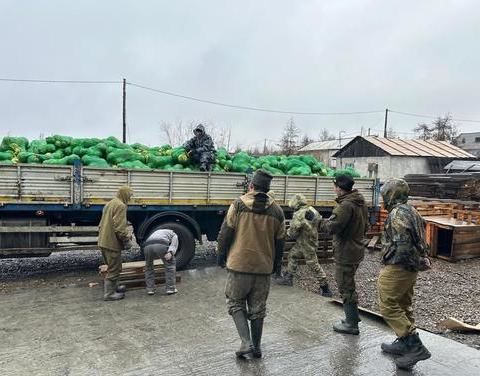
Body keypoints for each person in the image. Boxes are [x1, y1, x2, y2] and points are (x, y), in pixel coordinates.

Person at [216, 169, 285, 359]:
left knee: (235, 303)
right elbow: (280, 242)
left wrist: (221, 255)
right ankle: (256, 347)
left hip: (239, 266)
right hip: (263, 268)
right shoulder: (277, 211)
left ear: (251, 186)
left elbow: (225, 232)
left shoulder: (238, 205)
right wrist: (276, 265)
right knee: (258, 308)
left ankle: (245, 342)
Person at [378, 178, 431, 370]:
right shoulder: (411, 210)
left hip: (399, 266)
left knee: (388, 305)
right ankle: (403, 342)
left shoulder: (398, 214)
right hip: (411, 266)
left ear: (391, 194)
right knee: (403, 304)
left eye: (385, 193)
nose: (382, 197)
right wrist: (420, 260)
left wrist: (397, 263)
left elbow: (403, 245)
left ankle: (415, 347)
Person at [319, 174, 368, 335]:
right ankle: (350, 319)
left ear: (339, 188)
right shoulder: (359, 202)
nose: (334, 189)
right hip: (356, 249)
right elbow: (366, 226)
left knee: (345, 286)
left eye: (335, 186)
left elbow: (332, 227)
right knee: (348, 284)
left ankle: (352, 323)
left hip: (346, 252)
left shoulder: (346, 206)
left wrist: (316, 220)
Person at [276, 193, 333, 297]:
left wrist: (286, 233)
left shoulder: (298, 214)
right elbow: (319, 222)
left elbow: (293, 231)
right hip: (309, 240)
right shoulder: (312, 209)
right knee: (292, 255)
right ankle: (289, 277)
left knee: (313, 264)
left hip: (305, 243)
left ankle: (325, 287)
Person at [97, 185, 134, 301]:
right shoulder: (121, 206)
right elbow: (119, 227)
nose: (130, 198)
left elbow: (101, 223)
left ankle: (115, 287)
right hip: (112, 243)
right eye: (130, 195)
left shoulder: (110, 203)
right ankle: (109, 294)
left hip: (103, 241)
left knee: (112, 266)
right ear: (125, 194)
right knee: (115, 268)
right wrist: (126, 239)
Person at [142, 229, 178, 296]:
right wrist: (170, 252)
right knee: (170, 265)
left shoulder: (158, 232)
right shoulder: (173, 234)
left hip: (147, 246)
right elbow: (174, 245)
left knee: (148, 267)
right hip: (160, 245)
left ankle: (150, 289)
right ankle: (170, 288)